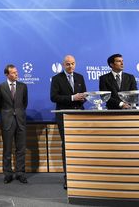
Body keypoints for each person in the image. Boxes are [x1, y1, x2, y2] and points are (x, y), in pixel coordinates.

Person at [50, 55, 87, 189]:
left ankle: (80, 175)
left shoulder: (80, 77)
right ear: (63, 65)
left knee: (81, 146)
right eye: (67, 64)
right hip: (64, 116)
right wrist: (72, 97)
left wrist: (83, 98)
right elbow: (54, 97)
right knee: (67, 146)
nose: (70, 66)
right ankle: (68, 177)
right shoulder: (56, 79)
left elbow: (84, 95)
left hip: (79, 116)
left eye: (72, 64)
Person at [0, 64, 28, 184]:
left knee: (21, 149)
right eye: (13, 73)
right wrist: (6, 114)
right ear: (7, 75)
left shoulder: (23, 86)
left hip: (20, 121)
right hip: (7, 121)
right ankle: (7, 173)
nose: (16, 74)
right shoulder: (0, 87)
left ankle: (20, 173)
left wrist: (18, 113)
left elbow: (24, 103)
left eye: (16, 72)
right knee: (7, 149)